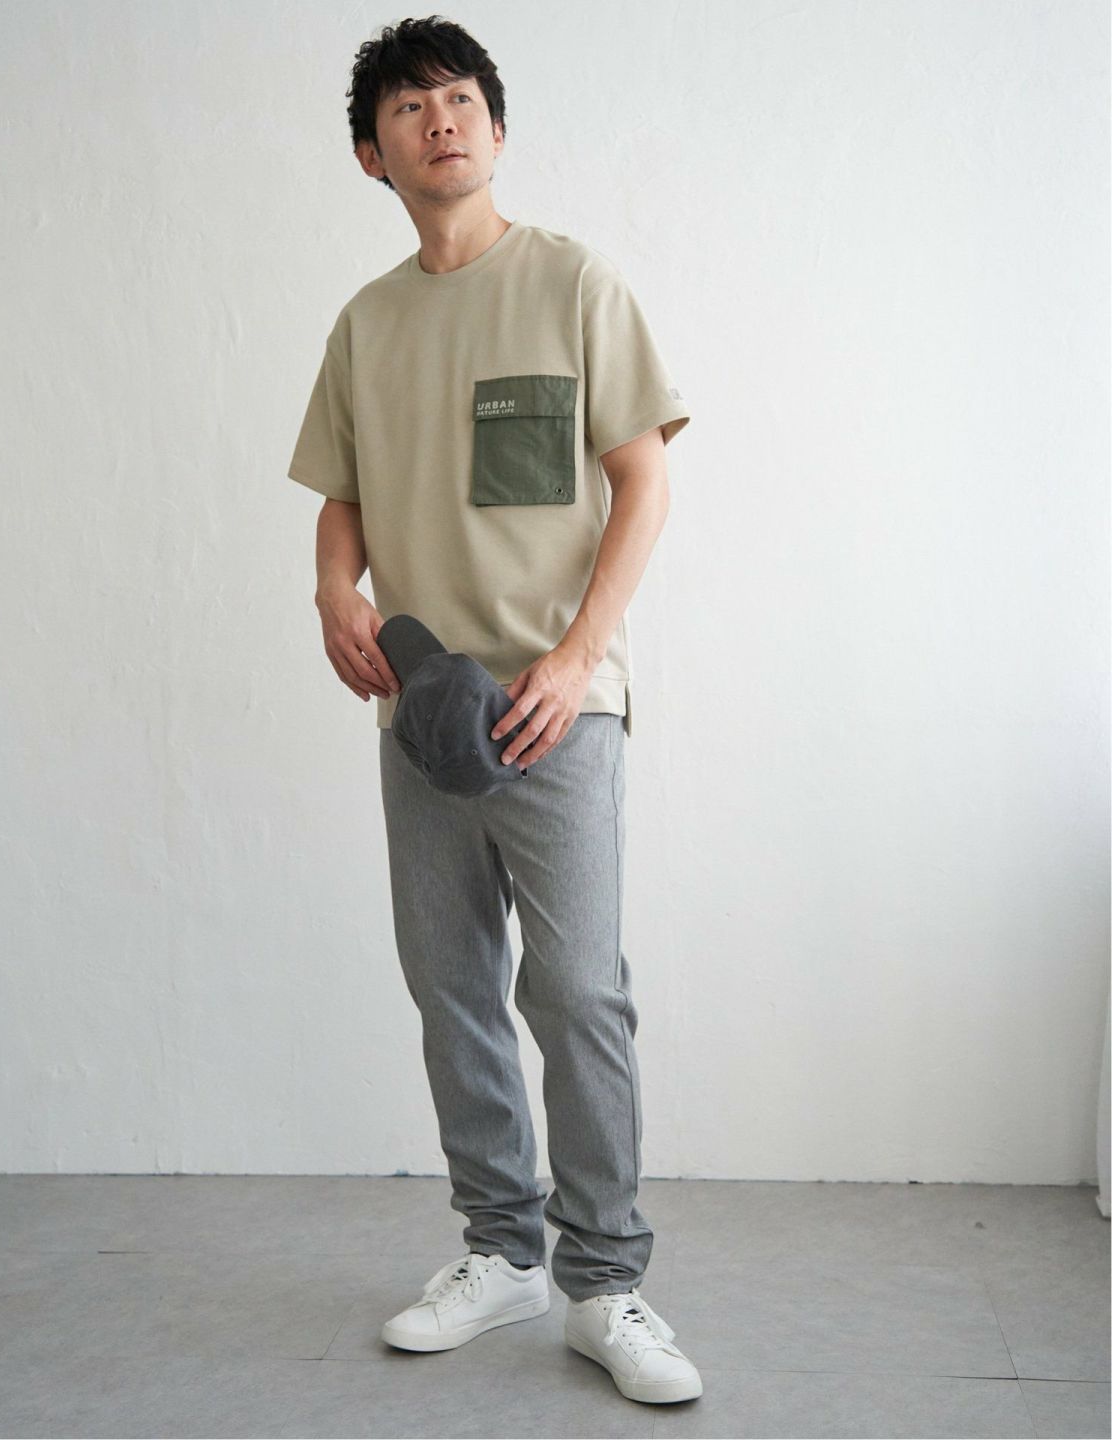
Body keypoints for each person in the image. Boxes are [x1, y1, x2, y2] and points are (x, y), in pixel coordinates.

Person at [286, 14, 701, 1406]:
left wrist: (578, 659)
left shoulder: (574, 283)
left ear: (498, 128)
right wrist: (334, 590)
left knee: (577, 992)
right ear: (373, 154)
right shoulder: (366, 323)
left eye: (460, 98)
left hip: (557, 709)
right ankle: (502, 1249)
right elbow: (341, 499)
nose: (440, 121)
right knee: (451, 985)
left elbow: (643, 478)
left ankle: (608, 1280)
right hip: (423, 712)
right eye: (408, 108)